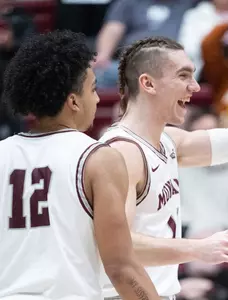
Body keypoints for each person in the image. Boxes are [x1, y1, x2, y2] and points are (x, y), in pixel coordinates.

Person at [98, 9, 228, 299]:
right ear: (148, 83)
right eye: (184, 76)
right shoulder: (123, 152)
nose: (195, 87)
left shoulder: (169, 141)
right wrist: (198, 248)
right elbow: (118, 246)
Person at [0, 30, 158, 299]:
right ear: (73, 101)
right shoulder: (98, 158)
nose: (97, 99)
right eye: (93, 89)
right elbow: (121, 268)